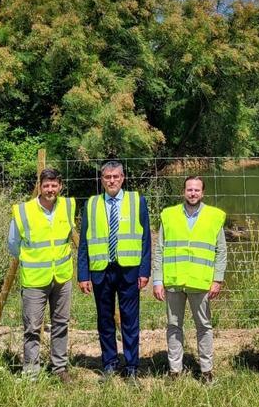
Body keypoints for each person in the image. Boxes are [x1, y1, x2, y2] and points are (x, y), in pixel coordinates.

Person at [78, 161, 152, 384]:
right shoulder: (91, 204)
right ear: (101, 179)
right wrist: (83, 274)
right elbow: (84, 242)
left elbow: (145, 239)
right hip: (101, 271)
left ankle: (131, 367)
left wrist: (144, 270)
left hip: (129, 271)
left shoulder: (136, 201)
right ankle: (109, 363)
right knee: (105, 320)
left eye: (116, 177)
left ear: (123, 178)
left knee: (130, 320)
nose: (112, 181)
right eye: (107, 177)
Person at [152, 176, 227, 385]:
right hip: (174, 281)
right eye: (189, 190)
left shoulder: (214, 216)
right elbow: (160, 250)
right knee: (174, 325)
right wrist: (158, 280)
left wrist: (217, 279)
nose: (192, 193)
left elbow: (221, 251)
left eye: (196, 190)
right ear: (183, 191)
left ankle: (206, 371)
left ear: (203, 193)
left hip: (200, 282)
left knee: (204, 326)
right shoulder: (169, 215)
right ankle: (174, 370)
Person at [7, 168, 76, 383]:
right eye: (46, 185)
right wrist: (32, 261)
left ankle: (59, 367)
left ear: (60, 186)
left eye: (54, 185)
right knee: (32, 327)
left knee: (61, 323)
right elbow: (12, 245)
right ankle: (31, 372)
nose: (50, 189)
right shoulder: (23, 211)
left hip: (62, 277)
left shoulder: (67, 206)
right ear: (40, 186)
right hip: (35, 280)